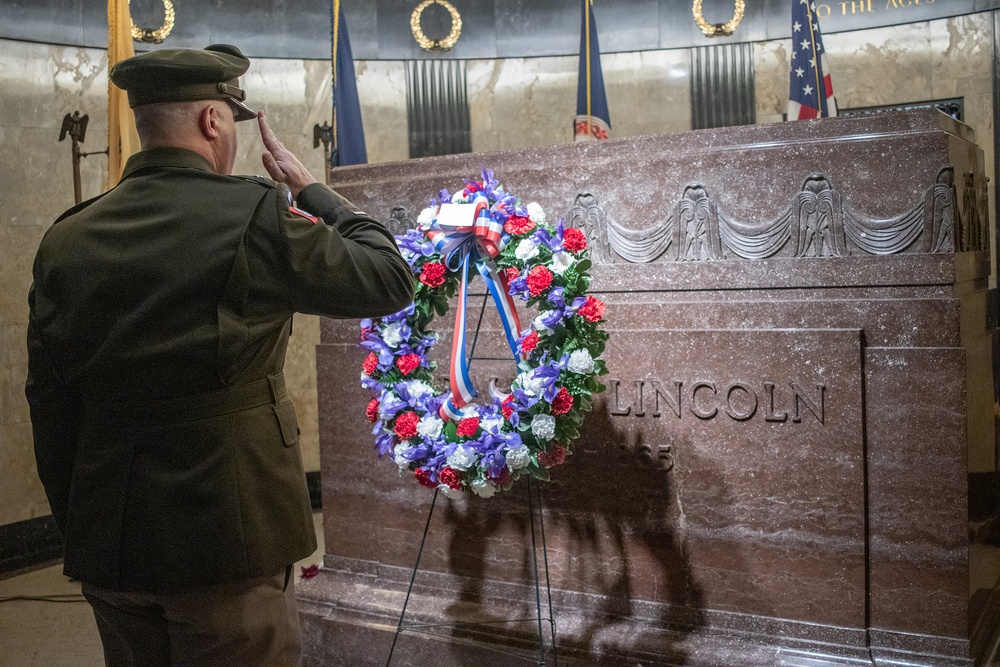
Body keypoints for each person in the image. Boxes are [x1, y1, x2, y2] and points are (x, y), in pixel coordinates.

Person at [25, 44, 414, 666]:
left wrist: (84, 532)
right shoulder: (251, 215)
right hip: (231, 541)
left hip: (111, 538)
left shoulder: (66, 237)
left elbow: (49, 403)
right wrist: (313, 192)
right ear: (213, 121)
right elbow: (389, 279)